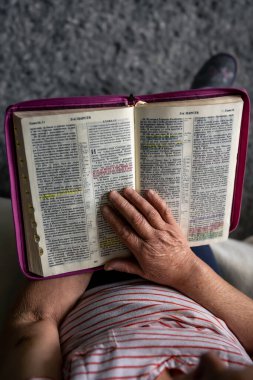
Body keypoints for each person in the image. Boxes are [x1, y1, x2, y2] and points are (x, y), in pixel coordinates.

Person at [1, 54, 253, 380]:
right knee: (171, 188)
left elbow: (32, 320)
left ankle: (23, 174)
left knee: (55, 189)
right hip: (189, 282)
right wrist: (183, 269)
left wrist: (86, 242)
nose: (210, 361)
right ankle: (195, 110)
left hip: (92, 280)